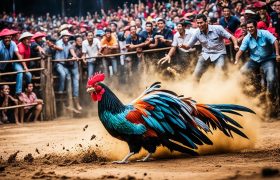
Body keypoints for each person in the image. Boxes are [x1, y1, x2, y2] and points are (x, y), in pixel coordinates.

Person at [159, 14, 239, 82]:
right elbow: (188, 46)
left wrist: (235, 45)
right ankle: (194, 93)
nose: (199, 25)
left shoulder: (218, 28)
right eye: (198, 23)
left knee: (219, 73)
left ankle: (219, 90)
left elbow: (231, 37)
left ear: (206, 22)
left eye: (201, 23)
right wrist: (182, 45)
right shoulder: (197, 32)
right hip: (205, 54)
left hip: (219, 54)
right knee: (196, 75)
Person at [235, 19, 280, 118]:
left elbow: (275, 41)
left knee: (271, 79)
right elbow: (241, 50)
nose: (250, 29)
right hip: (254, 60)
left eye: (251, 27)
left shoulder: (265, 33)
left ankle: (271, 100)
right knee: (241, 73)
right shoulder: (247, 38)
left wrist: (277, 54)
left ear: (256, 27)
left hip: (268, 59)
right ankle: (250, 93)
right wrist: (236, 60)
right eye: (248, 28)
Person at [68, 35, 83, 111]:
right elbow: (72, 51)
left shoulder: (82, 46)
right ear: (75, 41)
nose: (80, 42)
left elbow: (84, 53)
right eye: (78, 41)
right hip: (71, 66)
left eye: (81, 41)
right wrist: (75, 56)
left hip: (77, 66)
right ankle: (75, 104)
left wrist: (83, 56)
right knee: (76, 83)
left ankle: (78, 103)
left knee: (78, 83)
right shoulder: (72, 46)